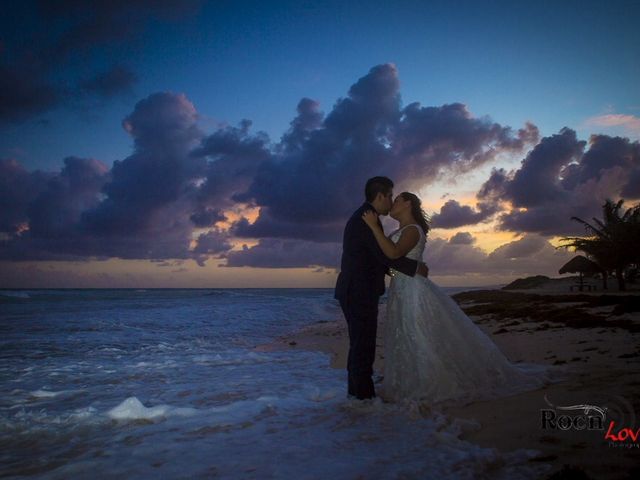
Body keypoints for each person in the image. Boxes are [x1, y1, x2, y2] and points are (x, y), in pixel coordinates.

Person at [361, 191, 552, 406]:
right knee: (406, 332)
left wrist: (375, 228)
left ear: (408, 204)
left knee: (417, 332)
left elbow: (394, 253)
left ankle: (428, 383)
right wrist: (402, 268)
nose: (392, 204)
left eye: (397, 201)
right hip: (402, 288)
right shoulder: (401, 230)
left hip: (413, 291)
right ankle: (411, 380)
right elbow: (391, 263)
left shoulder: (412, 230)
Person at [334, 177, 429, 400]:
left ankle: (356, 396)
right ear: (381, 196)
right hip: (358, 291)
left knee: (360, 345)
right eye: (389, 197)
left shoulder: (367, 217)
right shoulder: (365, 219)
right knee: (363, 347)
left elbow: (381, 262)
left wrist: (403, 273)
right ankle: (363, 399)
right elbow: (386, 256)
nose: (391, 202)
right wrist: (415, 267)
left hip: (358, 290)